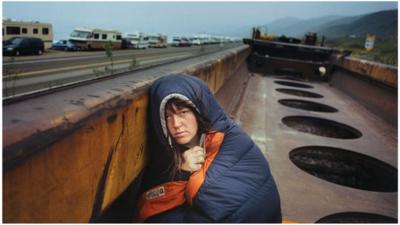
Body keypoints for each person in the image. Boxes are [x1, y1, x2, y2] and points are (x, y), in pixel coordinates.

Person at [136, 74, 281, 222]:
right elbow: (149, 199)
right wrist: (182, 171)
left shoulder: (229, 137)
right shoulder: (166, 155)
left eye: (183, 112)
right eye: (167, 116)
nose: (176, 124)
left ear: (198, 110)